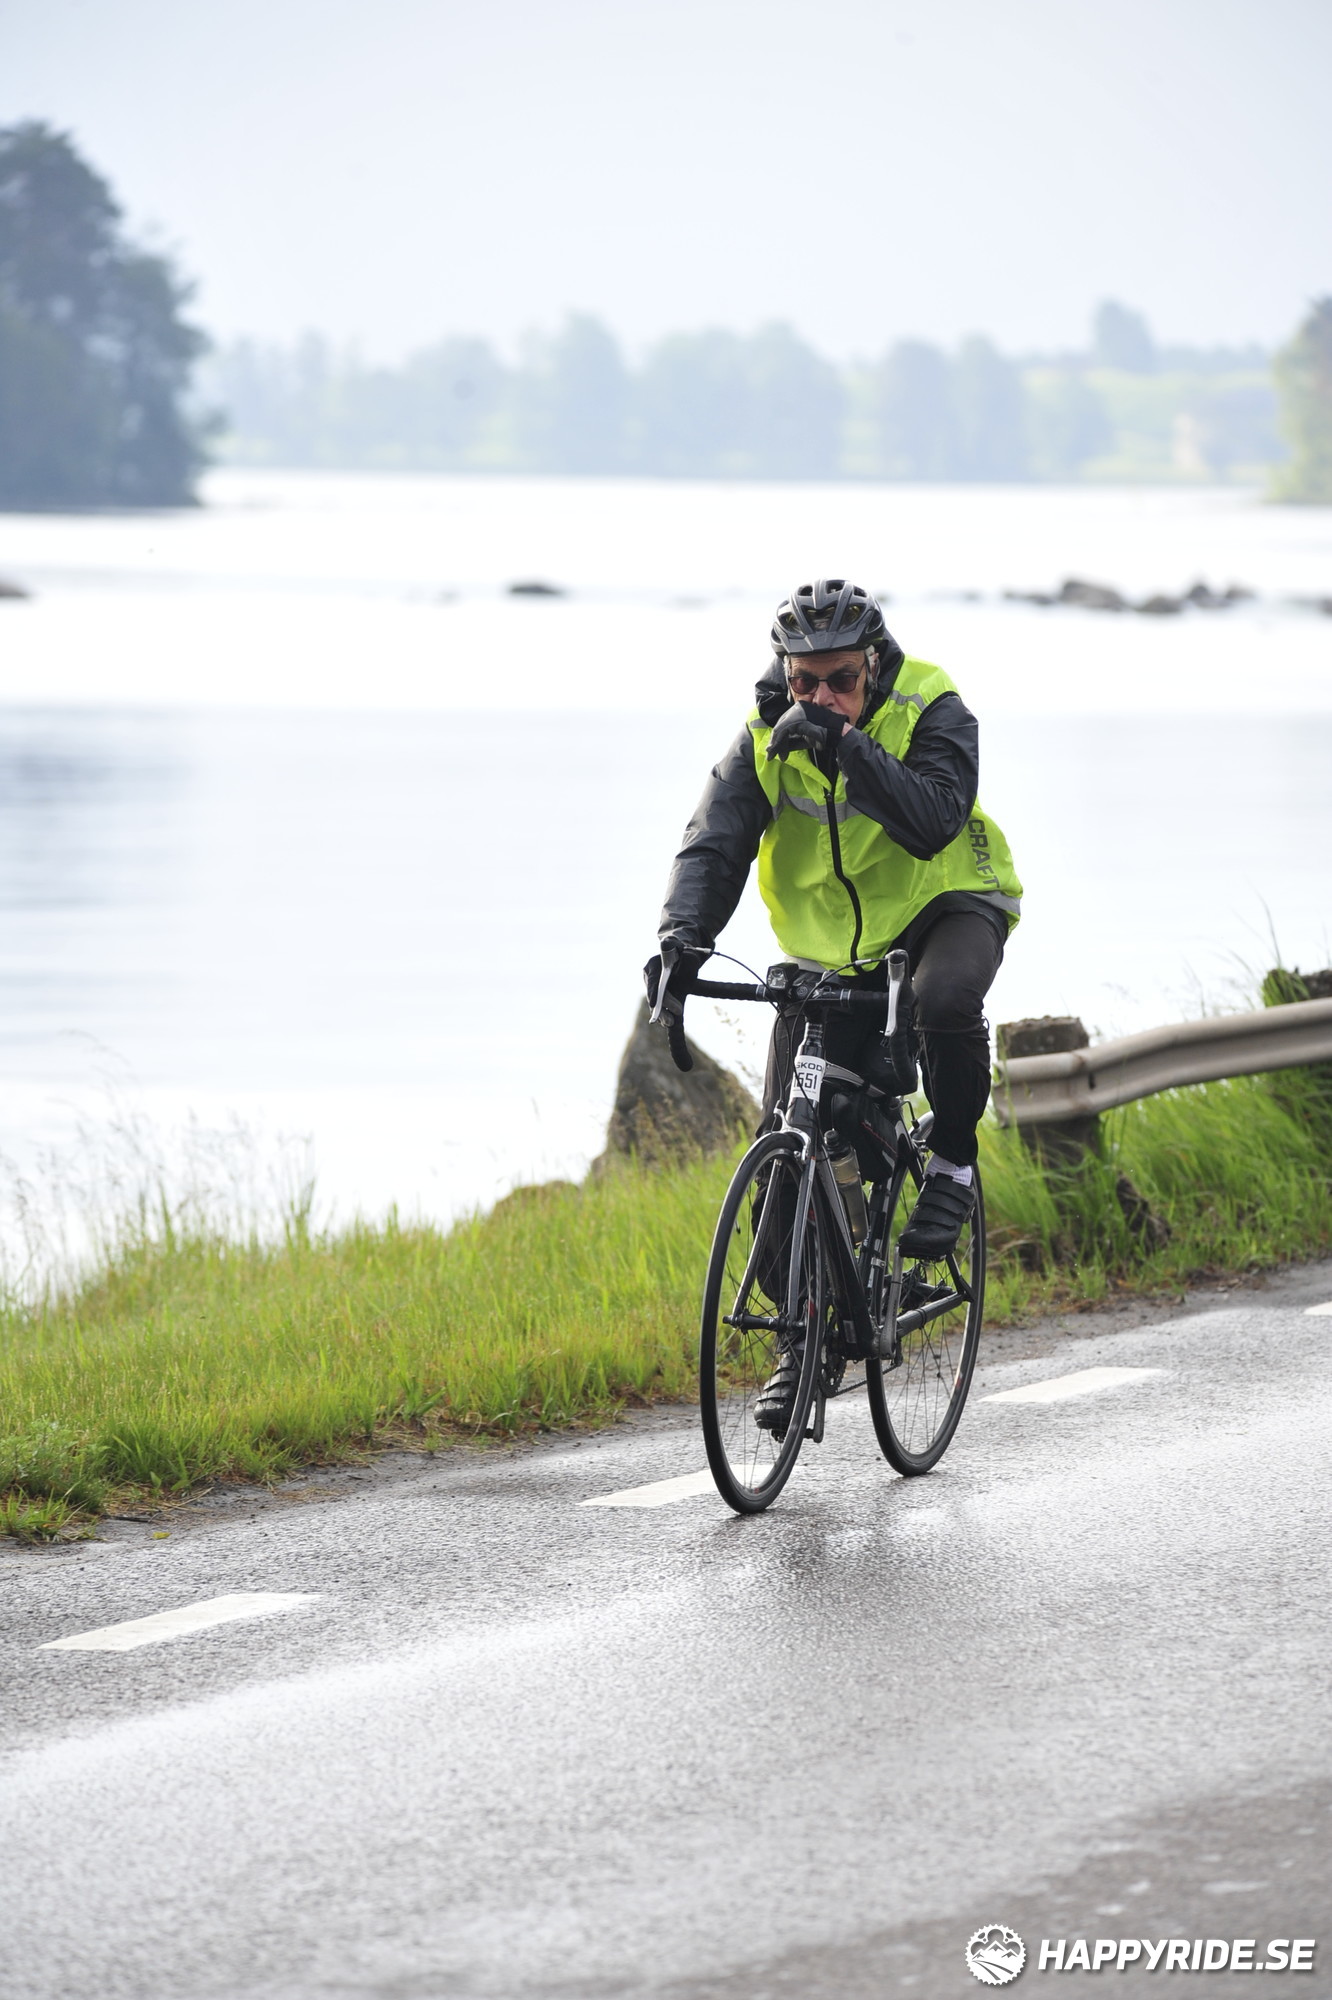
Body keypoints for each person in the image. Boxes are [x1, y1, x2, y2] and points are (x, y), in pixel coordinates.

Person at [650, 578, 1021, 1424]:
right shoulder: (762, 736)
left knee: (944, 1000)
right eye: (803, 682)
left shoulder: (931, 705)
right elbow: (714, 843)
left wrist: (844, 744)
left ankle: (952, 1161)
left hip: (945, 906)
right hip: (833, 952)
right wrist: (680, 939)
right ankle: (804, 1343)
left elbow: (933, 819)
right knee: (789, 1137)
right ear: (783, 672)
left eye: (841, 681)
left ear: (873, 667)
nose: (818, 697)